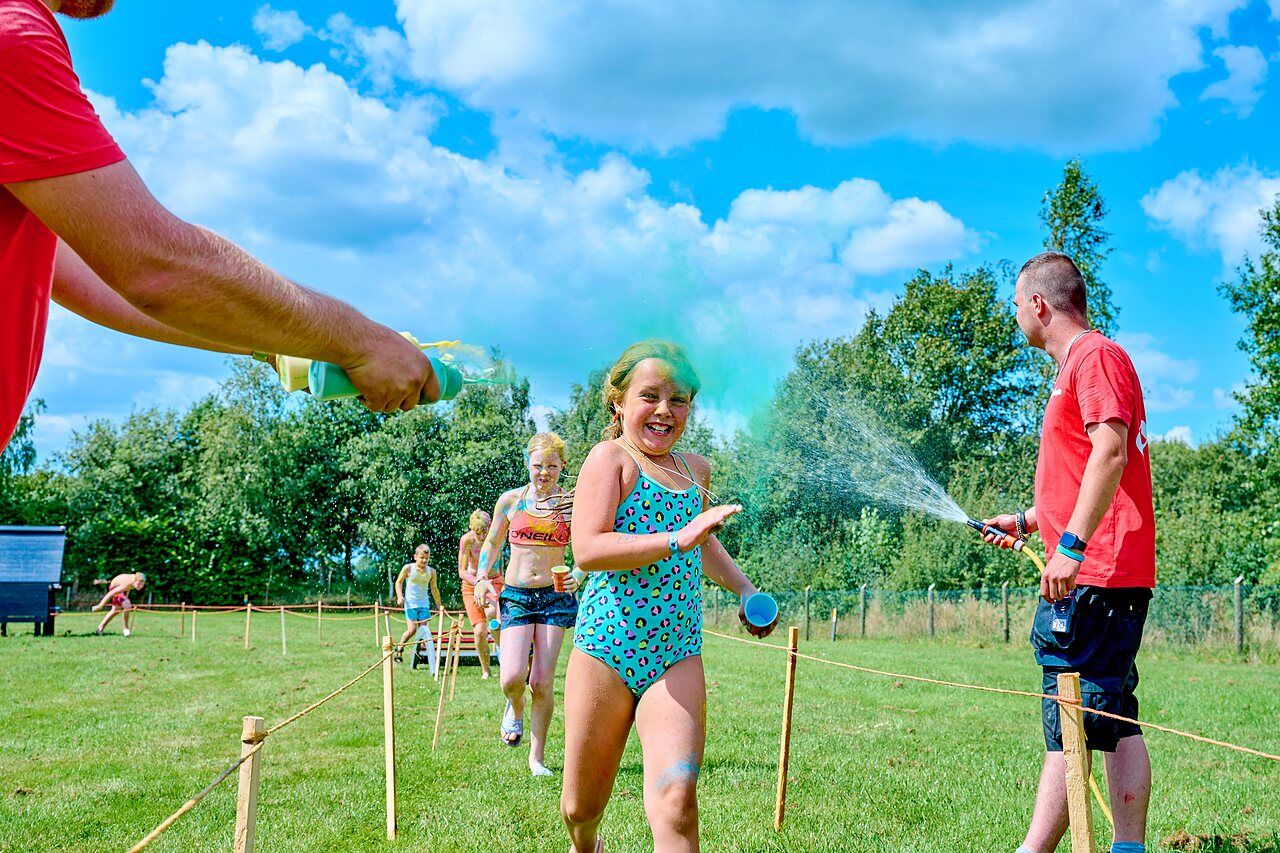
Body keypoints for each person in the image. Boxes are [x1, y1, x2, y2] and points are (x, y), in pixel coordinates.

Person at [0, 0, 440, 454]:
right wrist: (361, 342)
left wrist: (275, 344)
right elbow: (154, 265)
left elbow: (97, 275)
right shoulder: (12, 32)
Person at [560, 340, 777, 853]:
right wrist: (676, 539)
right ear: (618, 401)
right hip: (605, 649)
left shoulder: (694, 469)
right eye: (650, 395)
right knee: (579, 808)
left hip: (675, 653)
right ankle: (586, 844)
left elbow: (703, 545)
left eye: (678, 400)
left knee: (677, 801)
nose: (664, 410)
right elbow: (589, 549)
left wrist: (745, 589)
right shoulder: (609, 459)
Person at [982, 252, 1155, 853]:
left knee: (1073, 717)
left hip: (1097, 570)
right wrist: (1033, 521)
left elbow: (1112, 454)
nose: (1015, 314)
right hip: (1097, 565)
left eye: (1015, 303)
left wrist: (1072, 548)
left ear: (1039, 304)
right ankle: (1126, 848)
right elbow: (1086, 470)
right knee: (1108, 709)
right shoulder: (1076, 368)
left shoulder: (1095, 358)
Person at [476, 432, 580, 777]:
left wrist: (578, 573)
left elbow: (589, 549)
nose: (544, 473)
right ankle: (514, 706)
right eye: (538, 465)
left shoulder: (571, 505)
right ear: (527, 464)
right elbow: (493, 542)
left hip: (554, 597)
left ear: (562, 466)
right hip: (517, 596)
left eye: (552, 466)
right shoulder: (510, 501)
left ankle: (536, 758)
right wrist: (480, 577)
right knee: (512, 677)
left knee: (542, 682)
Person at [458, 509, 500, 677]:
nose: (482, 537)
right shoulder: (467, 540)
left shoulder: (498, 536)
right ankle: (486, 670)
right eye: (478, 533)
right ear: (472, 528)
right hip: (471, 584)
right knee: (480, 631)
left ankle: (503, 656)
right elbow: (462, 571)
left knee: (492, 614)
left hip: (494, 582)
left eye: (485, 532)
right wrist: (478, 582)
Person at [394, 544, 444, 663]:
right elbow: (398, 582)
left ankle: (419, 655)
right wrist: (400, 596)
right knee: (412, 630)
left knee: (424, 630)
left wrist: (439, 605)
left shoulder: (431, 571)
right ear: (415, 557)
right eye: (422, 558)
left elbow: (434, 589)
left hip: (424, 604)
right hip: (410, 603)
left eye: (427, 558)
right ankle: (400, 648)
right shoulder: (408, 568)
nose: (424, 560)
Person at [91, 572, 145, 636]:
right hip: (115, 587)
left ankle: (100, 628)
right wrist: (100, 606)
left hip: (122, 589)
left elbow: (127, 589)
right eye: (139, 584)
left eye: (142, 585)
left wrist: (125, 599)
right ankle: (126, 629)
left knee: (115, 611)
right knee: (127, 605)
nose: (140, 586)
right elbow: (110, 593)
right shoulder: (127, 583)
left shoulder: (133, 582)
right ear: (135, 580)